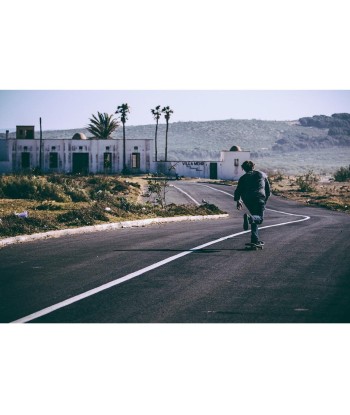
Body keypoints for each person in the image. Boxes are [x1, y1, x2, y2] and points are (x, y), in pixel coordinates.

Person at [234, 160, 271, 246]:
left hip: (247, 199)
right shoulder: (262, 174)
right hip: (259, 197)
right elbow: (268, 191)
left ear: (243, 169)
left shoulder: (243, 178)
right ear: (253, 167)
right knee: (259, 219)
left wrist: (238, 201)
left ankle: (254, 239)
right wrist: (264, 201)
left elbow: (238, 191)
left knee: (254, 216)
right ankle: (249, 218)